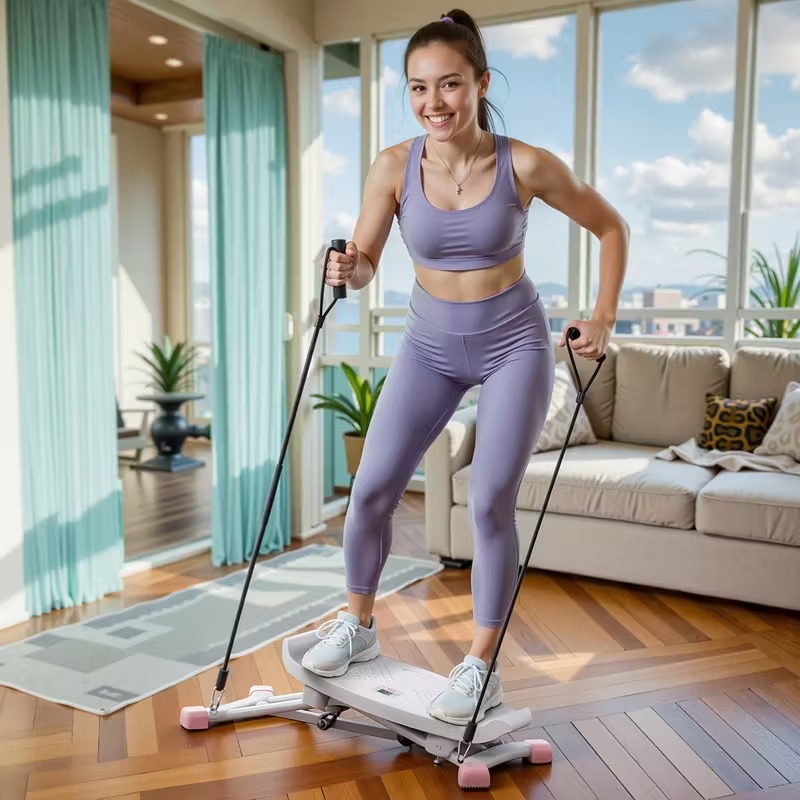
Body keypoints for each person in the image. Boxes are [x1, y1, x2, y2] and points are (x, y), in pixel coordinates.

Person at [302, 8, 628, 724]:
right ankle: (356, 626)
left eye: (449, 85)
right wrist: (349, 266)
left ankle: (481, 664)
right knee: (373, 490)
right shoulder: (393, 166)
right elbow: (363, 269)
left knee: (487, 502)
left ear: (480, 83)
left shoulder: (525, 163)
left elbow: (611, 226)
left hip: (514, 344)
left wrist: (601, 316)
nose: (433, 103)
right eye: (418, 88)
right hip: (428, 346)